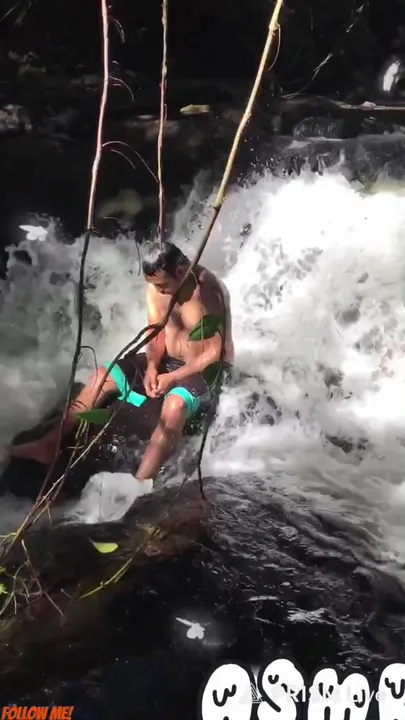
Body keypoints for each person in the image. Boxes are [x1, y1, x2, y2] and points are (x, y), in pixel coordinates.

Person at [10, 241, 235, 489]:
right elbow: (155, 332)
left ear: (180, 272)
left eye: (162, 286)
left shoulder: (207, 292)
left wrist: (173, 377)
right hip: (167, 362)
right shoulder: (156, 289)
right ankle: (49, 444)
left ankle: (140, 484)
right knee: (102, 375)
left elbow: (217, 352)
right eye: (154, 285)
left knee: (174, 406)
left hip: (205, 370)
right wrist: (152, 366)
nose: (158, 291)